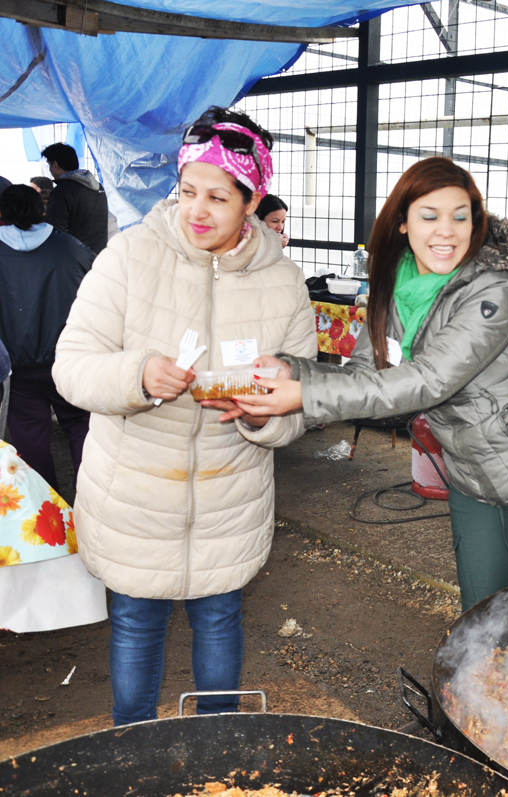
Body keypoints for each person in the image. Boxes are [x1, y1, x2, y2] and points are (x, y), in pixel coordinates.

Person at [234, 157, 508, 611]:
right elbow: (367, 374)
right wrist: (291, 372)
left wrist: (303, 395)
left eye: (461, 216)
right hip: (474, 474)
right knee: (482, 618)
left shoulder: (492, 287)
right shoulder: (393, 286)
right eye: (429, 216)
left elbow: (428, 381)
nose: (447, 231)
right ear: (402, 223)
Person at [52, 106, 317, 725]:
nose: (199, 211)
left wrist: (262, 414)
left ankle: (215, 749)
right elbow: (72, 365)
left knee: (220, 618)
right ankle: (133, 748)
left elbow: (304, 397)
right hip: (135, 494)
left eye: (219, 197)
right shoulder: (129, 257)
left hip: (230, 497)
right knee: (137, 624)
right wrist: (137, 375)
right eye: (189, 191)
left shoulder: (283, 283)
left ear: (251, 202)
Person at [0, 185, 94, 492]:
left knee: (29, 439)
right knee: (81, 425)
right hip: (68, 359)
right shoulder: (68, 246)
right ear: (43, 208)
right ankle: (87, 501)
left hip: (17, 366)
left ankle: (48, 516)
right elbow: (102, 280)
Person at [41, 142, 110, 256]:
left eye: (49, 165)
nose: (50, 170)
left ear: (55, 165)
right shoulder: (96, 186)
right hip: (98, 255)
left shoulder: (62, 191)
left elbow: (56, 233)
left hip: (75, 259)